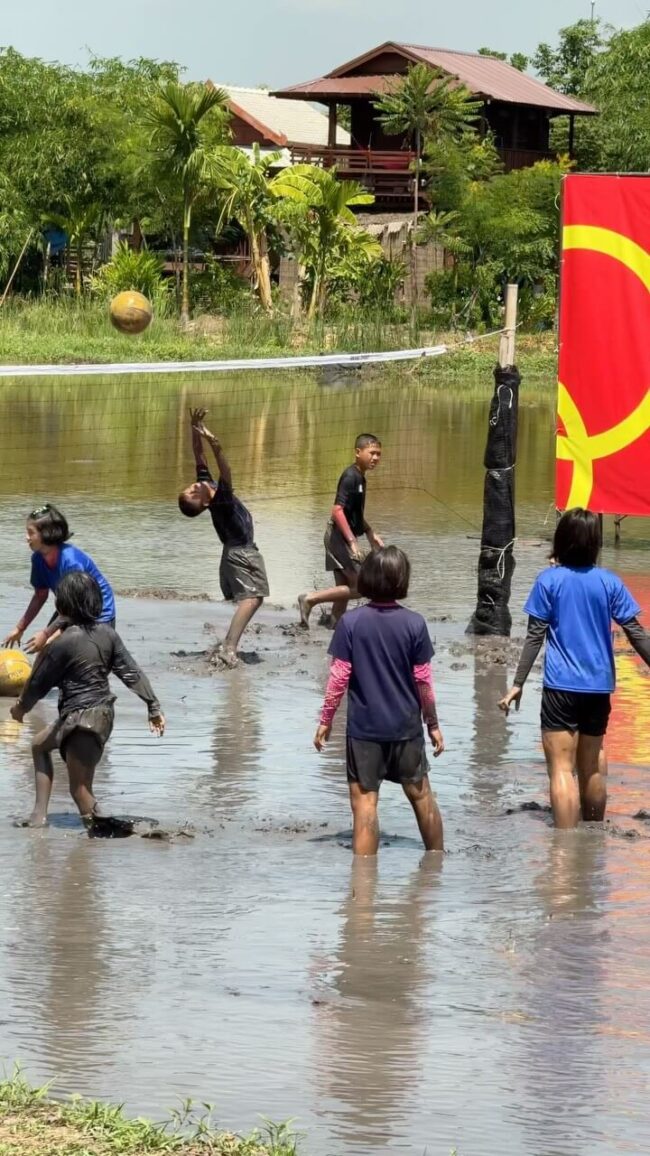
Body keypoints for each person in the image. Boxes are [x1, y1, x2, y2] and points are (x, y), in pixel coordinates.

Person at [499, 507, 650, 829]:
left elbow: (534, 637)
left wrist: (517, 683)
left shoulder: (548, 580)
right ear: (595, 543)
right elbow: (635, 632)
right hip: (599, 688)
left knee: (562, 769)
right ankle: (593, 840)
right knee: (592, 768)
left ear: (562, 541)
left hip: (560, 688)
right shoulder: (609, 581)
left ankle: (566, 850)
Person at [313, 546, 445, 856]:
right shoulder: (415, 623)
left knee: (365, 804)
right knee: (422, 795)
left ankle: (363, 889)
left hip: (364, 731)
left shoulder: (351, 623)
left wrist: (325, 720)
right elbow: (423, 680)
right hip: (406, 728)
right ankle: (437, 865)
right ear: (403, 580)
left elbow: (338, 678)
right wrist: (433, 725)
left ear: (367, 578)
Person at [10, 571, 164, 829]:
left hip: (80, 720)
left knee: (79, 790)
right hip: (101, 716)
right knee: (39, 746)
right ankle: (39, 816)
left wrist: (20, 708)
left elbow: (38, 682)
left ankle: (115, 834)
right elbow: (131, 672)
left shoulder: (62, 643)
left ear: (62, 606)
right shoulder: (108, 634)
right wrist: (153, 706)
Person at [178, 408, 269, 666]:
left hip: (234, 552)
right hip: (241, 552)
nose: (194, 485)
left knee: (252, 598)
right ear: (203, 504)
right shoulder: (222, 501)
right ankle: (229, 647)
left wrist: (194, 427)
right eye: (193, 491)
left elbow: (198, 455)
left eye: (192, 486)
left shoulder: (210, 488)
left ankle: (229, 643)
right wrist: (214, 441)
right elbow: (225, 468)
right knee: (253, 598)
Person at [3, 503, 115, 655]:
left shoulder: (71, 562)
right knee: (46, 654)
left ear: (46, 534)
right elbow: (40, 595)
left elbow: (77, 607)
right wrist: (19, 628)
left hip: (96, 612)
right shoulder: (38, 559)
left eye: (30, 533)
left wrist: (47, 634)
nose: (26, 537)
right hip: (68, 608)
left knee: (80, 661)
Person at [298, 434, 384, 629]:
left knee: (343, 591)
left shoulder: (360, 477)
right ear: (357, 452)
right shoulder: (350, 476)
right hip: (338, 539)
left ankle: (334, 629)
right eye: (372, 453)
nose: (376, 458)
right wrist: (352, 542)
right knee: (362, 587)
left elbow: (353, 514)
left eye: (379, 454)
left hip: (342, 537)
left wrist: (370, 533)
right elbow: (337, 510)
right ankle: (310, 599)